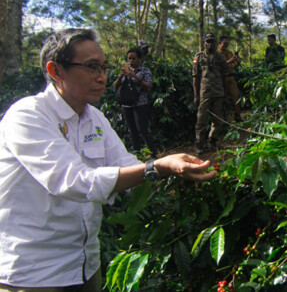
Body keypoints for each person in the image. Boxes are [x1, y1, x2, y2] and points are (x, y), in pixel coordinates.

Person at [0, 28, 216, 291]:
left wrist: (174, 172)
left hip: (86, 266)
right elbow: (74, 181)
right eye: (92, 67)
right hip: (34, 274)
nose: (103, 77)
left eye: (104, 67)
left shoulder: (94, 118)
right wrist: (157, 167)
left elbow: (125, 163)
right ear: (56, 71)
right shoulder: (28, 116)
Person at [114, 48, 157, 156]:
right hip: (127, 105)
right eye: (129, 58)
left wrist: (135, 77)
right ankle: (137, 154)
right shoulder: (124, 71)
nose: (131, 61)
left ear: (139, 59)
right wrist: (120, 76)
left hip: (140, 104)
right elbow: (114, 86)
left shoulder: (144, 71)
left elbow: (149, 86)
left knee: (142, 129)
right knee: (132, 131)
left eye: (133, 58)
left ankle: (153, 153)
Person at [193, 32, 232, 154]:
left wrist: (226, 94)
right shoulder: (198, 57)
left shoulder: (220, 57)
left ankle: (212, 141)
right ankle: (199, 143)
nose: (210, 44)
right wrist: (195, 95)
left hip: (218, 92)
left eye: (212, 41)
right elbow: (195, 77)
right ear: (204, 43)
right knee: (201, 119)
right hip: (204, 93)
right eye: (208, 41)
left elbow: (225, 76)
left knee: (218, 120)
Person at [218, 36, 243, 122]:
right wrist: (229, 61)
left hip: (231, 77)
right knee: (223, 99)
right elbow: (219, 65)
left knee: (235, 97)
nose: (226, 46)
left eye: (227, 44)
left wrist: (237, 61)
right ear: (219, 43)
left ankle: (237, 116)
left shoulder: (229, 53)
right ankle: (224, 118)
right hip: (221, 78)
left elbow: (235, 64)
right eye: (224, 44)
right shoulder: (217, 53)